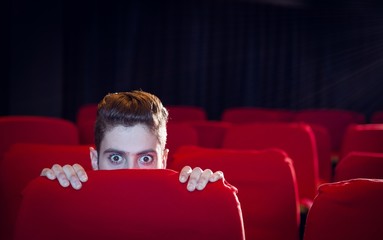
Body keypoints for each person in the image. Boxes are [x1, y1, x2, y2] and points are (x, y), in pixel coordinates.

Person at [41, 90, 223, 191]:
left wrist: (210, 197)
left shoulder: (187, 210)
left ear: (164, 161)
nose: (130, 172)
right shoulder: (71, 205)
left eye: (145, 159)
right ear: (94, 161)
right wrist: (51, 196)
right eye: (116, 158)